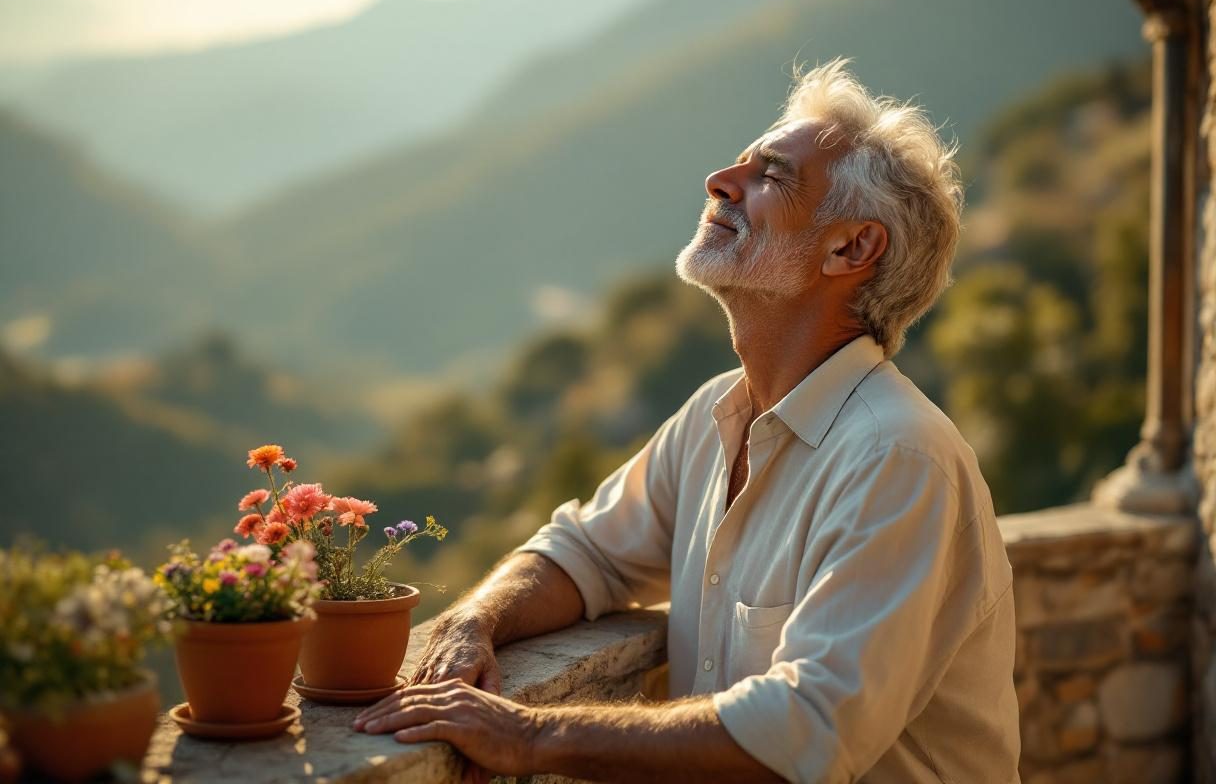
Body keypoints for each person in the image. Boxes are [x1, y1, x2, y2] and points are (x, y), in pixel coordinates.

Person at [353, 58, 1021, 783]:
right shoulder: (715, 412)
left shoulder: (897, 457)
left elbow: (813, 729)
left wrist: (530, 736)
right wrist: (473, 621)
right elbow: (587, 553)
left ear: (852, 248)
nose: (720, 182)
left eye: (771, 175)